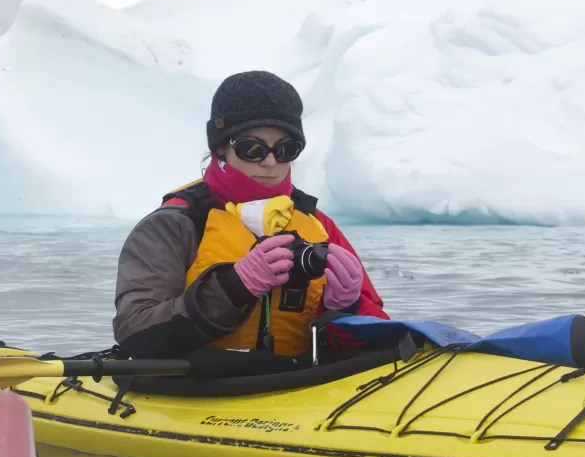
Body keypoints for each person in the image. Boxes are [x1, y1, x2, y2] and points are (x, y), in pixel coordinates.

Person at [113, 70, 388, 362]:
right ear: (220, 147)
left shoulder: (320, 225)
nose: (270, 162)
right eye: (252, 149)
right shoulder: (175, 223)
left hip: (298, 392)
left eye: (286, 149)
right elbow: (135, 333)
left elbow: (378, 338)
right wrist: (233, 287)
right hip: (191, 393)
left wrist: (346, 309)